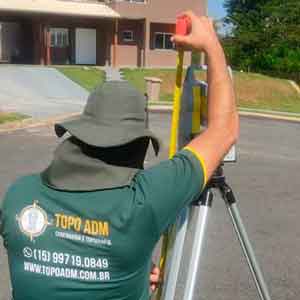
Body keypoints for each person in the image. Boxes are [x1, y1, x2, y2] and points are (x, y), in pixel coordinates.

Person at [0, 11, 239, 300]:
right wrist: (212, 45)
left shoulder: (20, 195)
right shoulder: (144, 200)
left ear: (80, 133)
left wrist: (130, 264)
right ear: (136, 144)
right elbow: (224, 130)